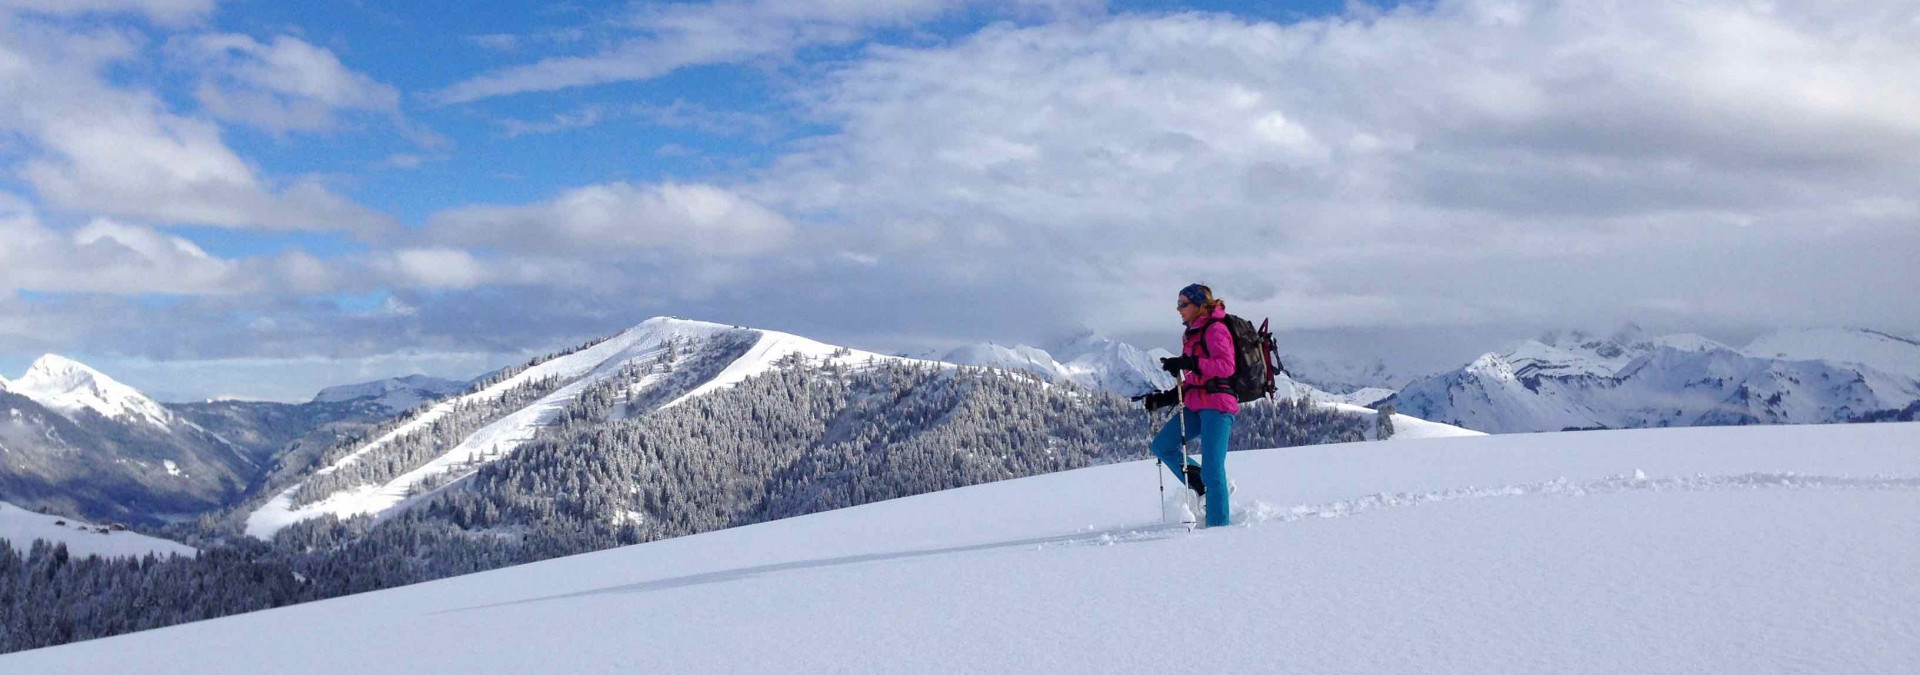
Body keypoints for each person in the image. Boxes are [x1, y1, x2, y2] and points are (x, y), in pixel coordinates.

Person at [1131, 283, 1237, 527]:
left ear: (1199, 304)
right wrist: (1165, 398)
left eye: (1183, 303)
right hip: (1196, 404)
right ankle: (1202, 486)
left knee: (1213, 466)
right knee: (1162, 446)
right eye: (1178, 304)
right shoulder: (1192, 333)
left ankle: (1218, 528)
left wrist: (1189, 361)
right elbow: (1195, 376)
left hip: (1218, 405)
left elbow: (1226, 367)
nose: (1178, 309)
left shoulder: (1215, 329)